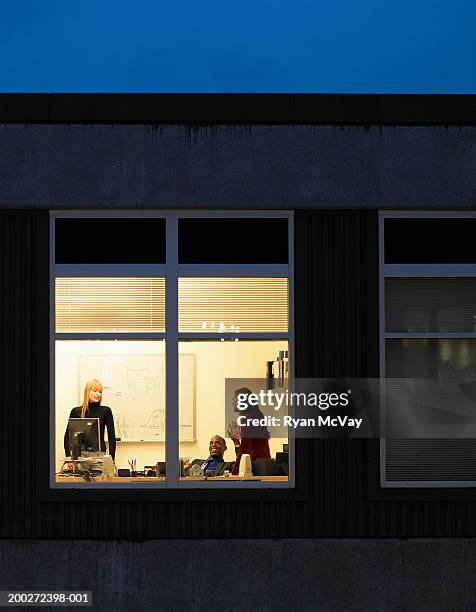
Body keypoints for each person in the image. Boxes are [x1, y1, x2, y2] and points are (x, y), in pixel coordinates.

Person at [64, 379, 116, 460]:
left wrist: (111, 459)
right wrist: (68, 457)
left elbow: (111, 437)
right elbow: (68, 436)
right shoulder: (76, 411)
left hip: (99, 456)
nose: (98, 394)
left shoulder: (106, 411)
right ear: (87, 392)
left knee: (99, 472)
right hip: (79, 457)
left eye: (100, 392)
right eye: (95, 391)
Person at [227, 387, 271, 475]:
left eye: (233, 399)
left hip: (254, 468)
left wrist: (234, 473)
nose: (232, 402)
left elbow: (244, 451)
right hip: (264, 465)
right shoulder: (256, 416)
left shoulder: (247, 419)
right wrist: (237, 440)